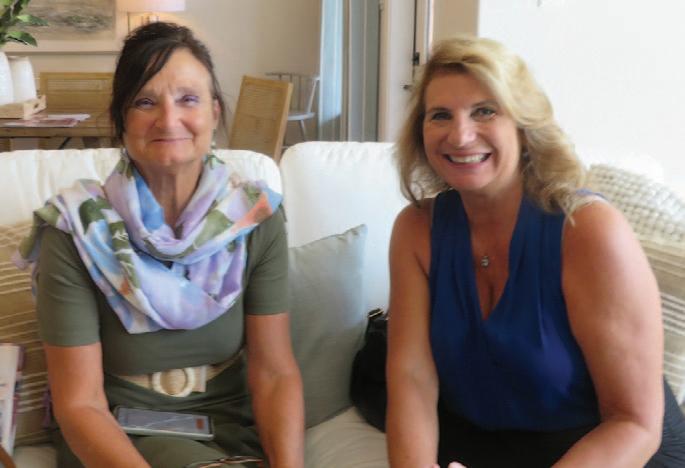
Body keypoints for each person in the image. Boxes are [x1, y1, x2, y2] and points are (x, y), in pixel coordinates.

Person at [386, 35, 685, 468]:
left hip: (608, 443)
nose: (460, 135)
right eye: (440, 115)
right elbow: (412, 378)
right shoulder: (415, 230)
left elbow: (633, 422)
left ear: (524, 128)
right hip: (489, 436)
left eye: (485, 111)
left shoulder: (588, 231)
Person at [15, 22, 304, 468]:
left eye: (188, 99)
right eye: (145, 102)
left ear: (214, 112)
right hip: (115, 435)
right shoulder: (76, 229)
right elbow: (80, 403)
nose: (169, 120)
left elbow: (274, 373)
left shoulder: (255, 218)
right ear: (121, 120)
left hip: (229, 429)